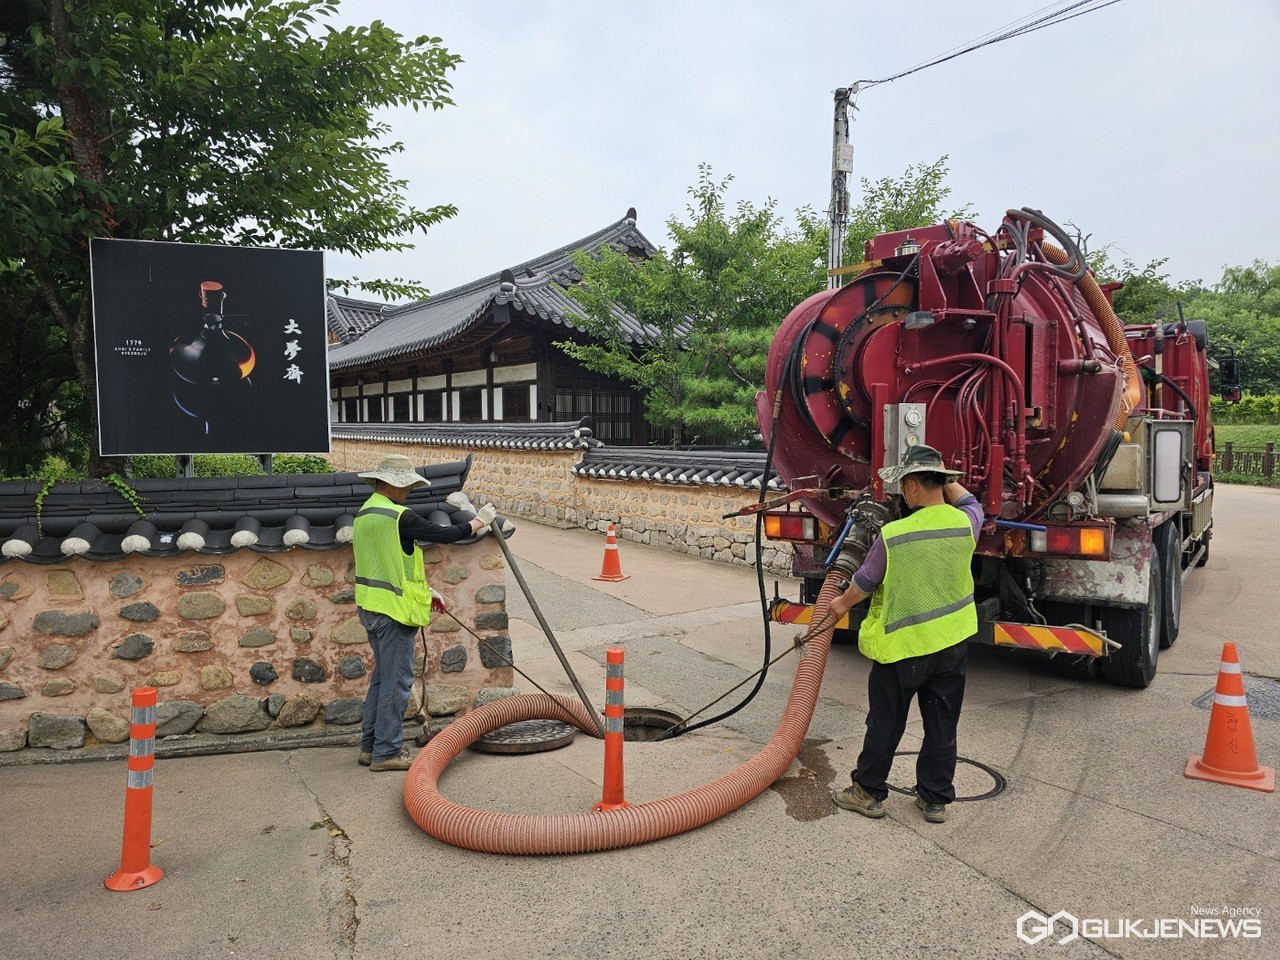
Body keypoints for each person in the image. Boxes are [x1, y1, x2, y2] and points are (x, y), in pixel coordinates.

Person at [826, 444, 983, 823]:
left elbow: (864, 581)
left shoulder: (895, 535)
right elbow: (971, 500)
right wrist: (946, 479)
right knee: (942, 724)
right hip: (951, 644)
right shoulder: (967, 523)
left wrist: (840, 605)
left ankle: (867, 791)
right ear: (940, 484)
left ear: (912, 486)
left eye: (904, 485)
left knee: (886, 722)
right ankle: (934, 799)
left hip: (903, 649)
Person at [353, 454, 497, 772]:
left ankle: (369, 747)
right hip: (393, 613)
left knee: (382, 678)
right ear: (392, 484)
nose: (408, 493)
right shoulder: (399, 516)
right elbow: (444, 534)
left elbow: (388, 564)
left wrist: (427, 592)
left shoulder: (365, 514)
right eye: (406, 486)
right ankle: (387, 752)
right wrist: (479, 522)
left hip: (370, 606)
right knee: (398, 681)